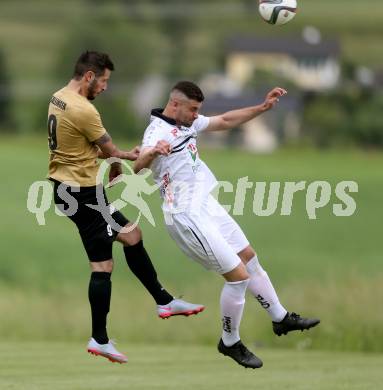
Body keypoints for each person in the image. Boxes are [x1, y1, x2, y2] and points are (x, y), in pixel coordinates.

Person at [134, 81, 320, 369]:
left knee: (249, 258)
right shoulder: (157, 132)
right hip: (186, 215)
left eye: (199, 110)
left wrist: (262, 107)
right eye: (193, 109)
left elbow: (224, 120)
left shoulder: (188, 123)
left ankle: (280, 318)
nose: (197, 115)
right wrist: (152, 152)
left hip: (207, 205)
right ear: (176, 105)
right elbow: (138, 165)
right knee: (238, 277)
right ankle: (229, 341)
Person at [47, 54, 204, 364]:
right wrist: (126, 156)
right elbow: (109, 149)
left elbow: (86, 146)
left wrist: (116, 159)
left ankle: (163, 301)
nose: (105, 87)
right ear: (90, 76)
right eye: (104, 81)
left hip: (72, 189)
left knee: (132, 235)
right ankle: (100, 339)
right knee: (102, 266)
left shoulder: (59, 97)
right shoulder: (84, 110)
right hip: (82, 195)